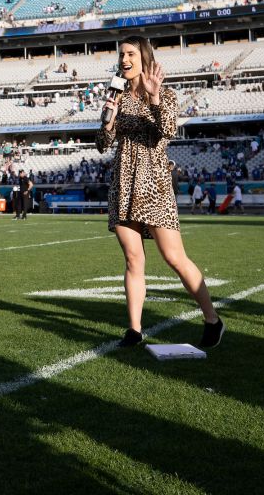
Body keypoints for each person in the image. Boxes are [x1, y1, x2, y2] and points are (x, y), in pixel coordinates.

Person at [97, 35, 223, 349]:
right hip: (123, 184)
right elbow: (102, 145)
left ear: (144, 57)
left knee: (174, 257)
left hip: (153, 184)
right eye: (121, 54)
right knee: (132, 259)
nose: (124, 60)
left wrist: (153, 100)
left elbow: (168, 130)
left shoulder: (164, 93)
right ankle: (135, 330)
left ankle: (212, 319)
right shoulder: (117, 96)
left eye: (130, 54)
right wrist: (107, 121)